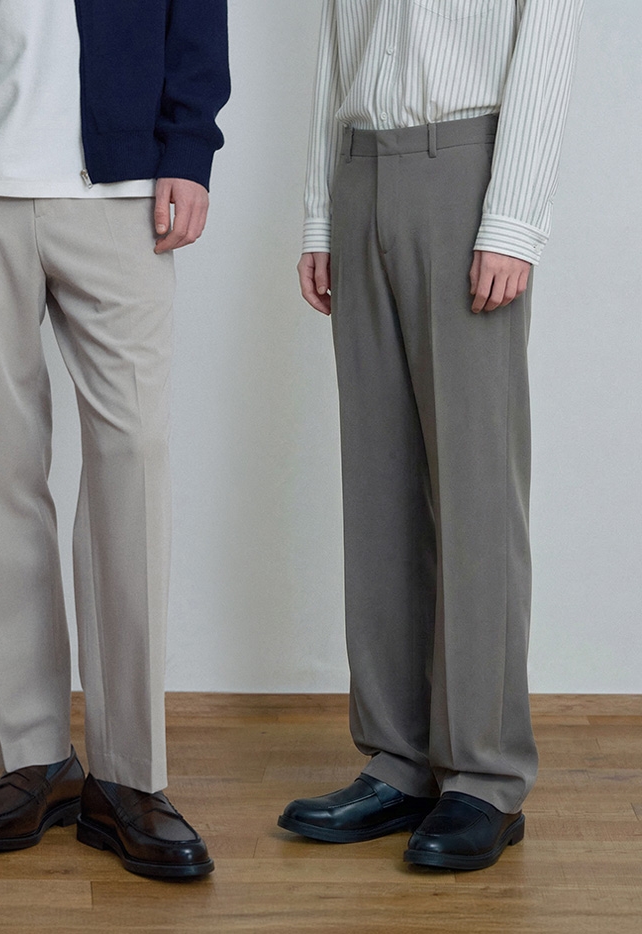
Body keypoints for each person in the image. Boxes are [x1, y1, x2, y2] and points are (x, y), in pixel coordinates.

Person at [0, 0, 229, 879]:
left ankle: (129, 774)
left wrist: (188, 147)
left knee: (134, 466)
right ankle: (34, 757)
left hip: (123, 188)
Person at [278, 0, 584, 871]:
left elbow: (547, 39)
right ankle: (399, 760)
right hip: (361, 167)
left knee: (477, 491)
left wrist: (513, 216)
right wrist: (320, 211)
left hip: (468, 172)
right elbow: (337, 43)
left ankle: (486, 774)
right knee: (377, 486)